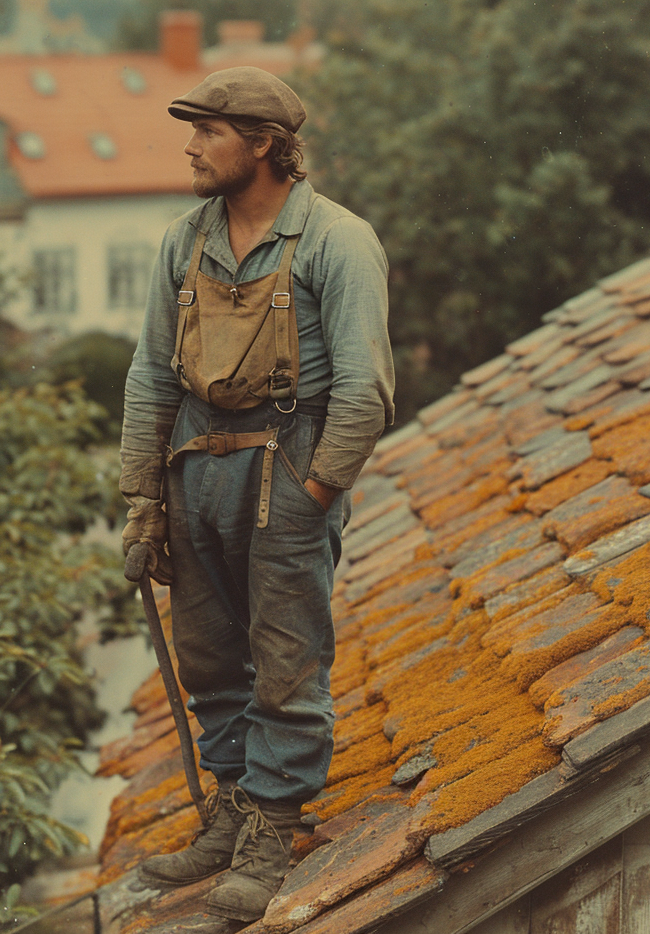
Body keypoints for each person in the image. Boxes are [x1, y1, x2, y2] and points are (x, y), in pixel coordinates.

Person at [119, 65, 394, 924]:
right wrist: (142, 498)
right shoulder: (184, 241)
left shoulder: (336, 242)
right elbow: (147, 379)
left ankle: (275, 822)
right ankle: (231, 809)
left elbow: (364, 390)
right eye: (193, 131)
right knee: (206, 656)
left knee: (286, 660)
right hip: (193, 470)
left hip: (287, 471)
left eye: (210, 132)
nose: (192, 148)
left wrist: (316, 490)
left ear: (266, 145)